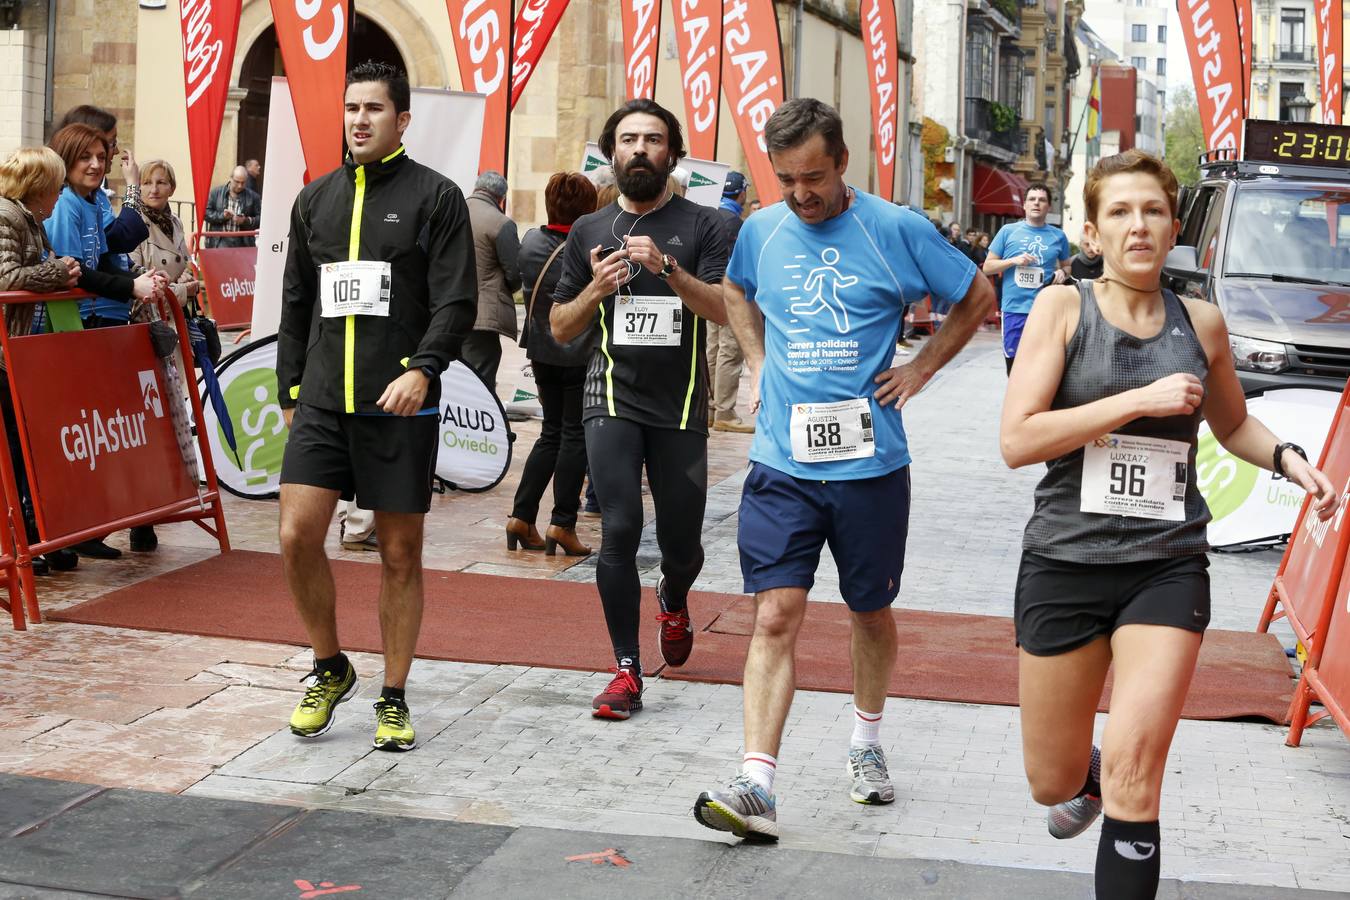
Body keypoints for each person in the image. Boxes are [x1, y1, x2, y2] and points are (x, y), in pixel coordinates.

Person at [1001, 150, 1337, 900]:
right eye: (1119, 212)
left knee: (1136, 773)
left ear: (1174, 227)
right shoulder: (1063, 310)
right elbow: (1017, 441)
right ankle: (1083, 773)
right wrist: (1133, 402)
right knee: (1049, 779)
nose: (1138, 225)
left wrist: (1290, 460)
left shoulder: (1203, 323)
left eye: (1152, 210)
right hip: (1065, 559)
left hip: (1167, 563)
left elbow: (1235, 425)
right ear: (1091, 233)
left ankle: (1112, 777)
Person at [693, 98, 996, 841]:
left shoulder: (895, 228)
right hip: (781, 463)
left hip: (870, 465)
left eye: (816, 177)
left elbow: (976, 295)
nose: (802, 194)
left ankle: (865, 742)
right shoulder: (761, 229)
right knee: (775, 612)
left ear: (844, 161)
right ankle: (757, 781)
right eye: (789, 179)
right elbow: (734, 287)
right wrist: (759, 358)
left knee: (868, 611)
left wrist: (922, 369)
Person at [275, 61, 477, 752]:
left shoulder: (436, 197)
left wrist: (424, 370)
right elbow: (297, 300)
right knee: (297, 535)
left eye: (374, 109)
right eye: (351, 108)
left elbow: (457, 300)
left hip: (400, 403)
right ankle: (329, 667)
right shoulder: (315, 199)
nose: (359, 119)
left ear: (402, 120)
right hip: (326, 401)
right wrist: (290, 388)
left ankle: (393, 695)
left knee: (398, 553)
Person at [550, 98, 729, 719]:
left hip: (680, 404)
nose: (640, 150)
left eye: (653, 140)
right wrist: (597, 289)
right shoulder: (589, 232)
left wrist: (668, 267)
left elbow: (724, 310)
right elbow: (561, 326)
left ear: (671, 154)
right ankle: (626, 669)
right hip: (611, 400)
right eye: (628, 140)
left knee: (682, 544)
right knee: (619, 528)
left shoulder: (704, 224)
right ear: (611, 153)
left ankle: (674, 595)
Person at [0, 147, 83, 576]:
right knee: (12, 450)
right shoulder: (8, 216)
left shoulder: (30, 220)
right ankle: (17, 540)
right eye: (56, 187)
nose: (59, 195)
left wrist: (61, 267)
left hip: (16, 350)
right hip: (3, 353)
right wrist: (56, 274)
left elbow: (43, 265)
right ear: (39, 189)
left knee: (24, 448)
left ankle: (29, 535)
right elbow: (5, 278)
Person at [506, 172, 598, 558]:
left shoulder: (530, 242)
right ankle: (562, 522)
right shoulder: (588, 247)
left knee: (551, 434)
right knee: (574, 436)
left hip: (541, 351)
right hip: (577, 352)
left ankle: (521, 517)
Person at [982, 182, 1071, 374]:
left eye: (1041, 200)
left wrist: (1063, 272)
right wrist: (1013, 261)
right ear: (1024, 205)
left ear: (1049, 206)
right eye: (1032, 199)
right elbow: (987, 267)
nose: (1036, 203)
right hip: (1015, 308)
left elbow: (1067, 266)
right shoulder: (1008, 231)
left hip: (1045, 309)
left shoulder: (1058, 236)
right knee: (1013, 367)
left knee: (1043, 367)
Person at [462, 171, 521, 393]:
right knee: (479, 381)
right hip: (481, 317)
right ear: (501, 198)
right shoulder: (501, 223)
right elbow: (515, 273)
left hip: (446, 309)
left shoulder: (451, 210)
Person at [707, 171, 752, 433]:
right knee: (730, 351)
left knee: (713, 349)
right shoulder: (736, 222)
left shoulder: (710, 215)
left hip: (708, 289)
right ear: (741, 192)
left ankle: (711, 409)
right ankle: (724, 410)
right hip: (729, 292)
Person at [203, 166, 260, 248]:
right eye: (237, 182)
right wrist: (222, 216)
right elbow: (206, 213)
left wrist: (246, 220)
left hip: (243, 242)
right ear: (231, 178)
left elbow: (261, 220)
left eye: (243, 182)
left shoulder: (253, 197)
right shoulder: (216, 193)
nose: (240, 186)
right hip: (220, 241)